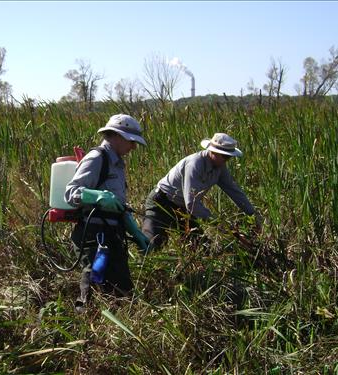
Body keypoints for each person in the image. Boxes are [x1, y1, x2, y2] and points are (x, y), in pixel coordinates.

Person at [64, 114, 149, 312]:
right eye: (131, 142)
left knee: (123, 286)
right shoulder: (96, 158)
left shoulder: (118, 164)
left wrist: (136, 233)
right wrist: (97, 196)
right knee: (94, 279)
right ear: (117, 136)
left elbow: (118, 206)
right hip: (93, 233)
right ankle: (85, 322)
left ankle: (122, 324)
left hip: (113, 233)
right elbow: (71, 193)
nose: (134, 147)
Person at [142, 132, 262, 250]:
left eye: (229, 157)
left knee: (201, 246)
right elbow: (192, 204)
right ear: (213, 152)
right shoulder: (194, 164)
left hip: (182, 208)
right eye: (225, 156)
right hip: (161, 202)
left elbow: (234, 191)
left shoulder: (220, 167)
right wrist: (223, 227)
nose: (227, 160)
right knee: (151, 245)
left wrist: (253, 215)